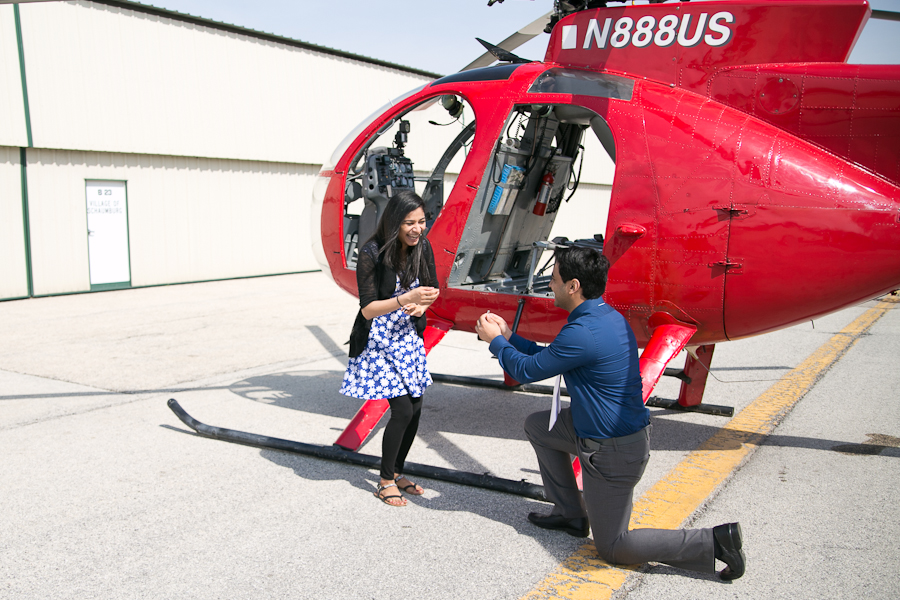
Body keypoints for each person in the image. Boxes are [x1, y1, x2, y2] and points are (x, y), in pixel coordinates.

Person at [474, 244, 745, 580]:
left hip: (612, 451)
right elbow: (551, 358)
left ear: (573, 287)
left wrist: (494, 341)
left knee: (614, 547)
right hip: (603, 433)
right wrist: (511, 336)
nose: (550, 285)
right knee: (538, 425)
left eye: (555, 279)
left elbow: (527, 372)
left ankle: (714, 542)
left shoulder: (583, 332)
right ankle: (571, 513)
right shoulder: (603, 316)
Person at [340, 191, 440, 507]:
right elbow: (367, 309)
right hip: (379, 338)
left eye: (421, 222)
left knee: (417, 406)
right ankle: (384, 481)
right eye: (409, 223)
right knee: (402, 409)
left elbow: (433, 289)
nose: (417, 229)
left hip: (407, 336)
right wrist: (406, 300)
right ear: (394, 222)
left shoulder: (422, 247)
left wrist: (422, 306)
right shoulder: (371, 252)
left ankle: (397, 472)